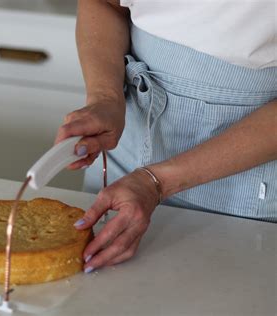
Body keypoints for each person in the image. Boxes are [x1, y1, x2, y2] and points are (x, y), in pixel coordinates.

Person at [55, 0, 277, 274]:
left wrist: (155, 182)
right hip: (124, 155)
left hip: (246, 178)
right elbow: (105, 3)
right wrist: (105, 97)